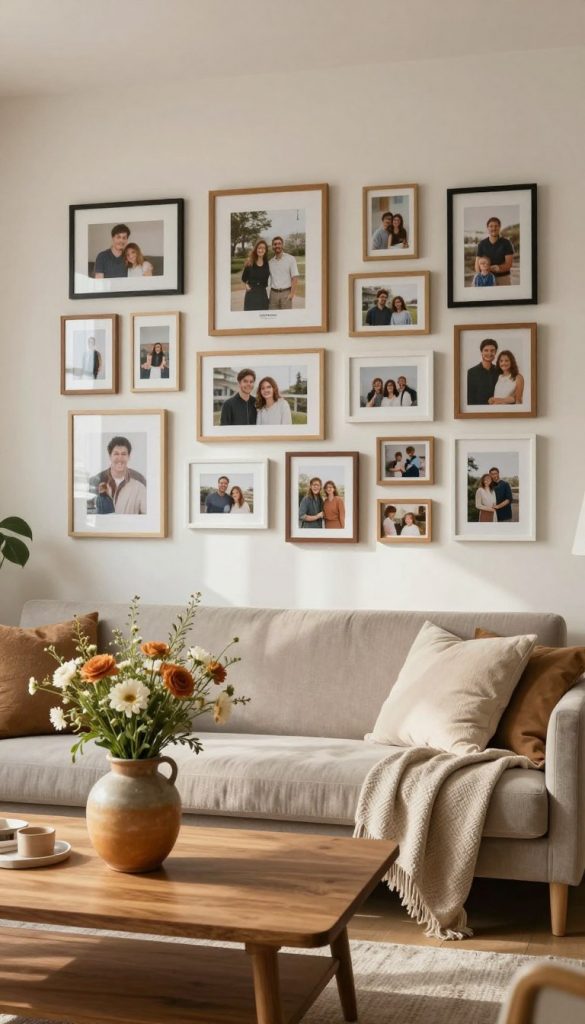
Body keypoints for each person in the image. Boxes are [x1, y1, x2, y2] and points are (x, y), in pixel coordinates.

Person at [89, 435, 147, 515]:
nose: (120, 458)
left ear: (129, 457)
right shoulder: (95, 481)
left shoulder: (140, 481)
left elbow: (147, 517)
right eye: (116, 454)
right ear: (110, 456)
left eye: (123, 454)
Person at [475, 216, 514, 285]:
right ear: (487, 228)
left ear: (499, 227)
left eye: (496, 226)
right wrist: (479, 277)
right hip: (486, 279)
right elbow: (477, 264)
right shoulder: (482, 244)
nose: (494, 228)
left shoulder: (506, 243)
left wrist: (498, 268)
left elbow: (509, 264)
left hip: (503, 278)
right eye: (491, 226)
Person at [268, 236, 299, 309]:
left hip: (286, 293)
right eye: (275, 244)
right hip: (273, 294)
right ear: (272, 246)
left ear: (282, 245)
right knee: (273, 318)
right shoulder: (270, 262)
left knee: (286, 318)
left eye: (279, 243)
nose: (277, 246)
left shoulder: (291, 259)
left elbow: (295, 277)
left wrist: (291, 294)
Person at [467, 338, 500, 405]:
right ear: (481, 352)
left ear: (495, 352)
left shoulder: (500, 371)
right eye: (486, 350)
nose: (489, 353)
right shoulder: (471, 372)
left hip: (498, 409)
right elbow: (470, 398)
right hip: (479, 411)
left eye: (492, 351)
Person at [241, 239, 270, 311]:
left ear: (265, 250)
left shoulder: (267, 264)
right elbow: (243, 279)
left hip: (262, 294)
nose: (261, 250)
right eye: (259, 248)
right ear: (256, 249)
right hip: (251, 294)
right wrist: (246, 285)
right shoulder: (249, 262)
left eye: (263, 248)